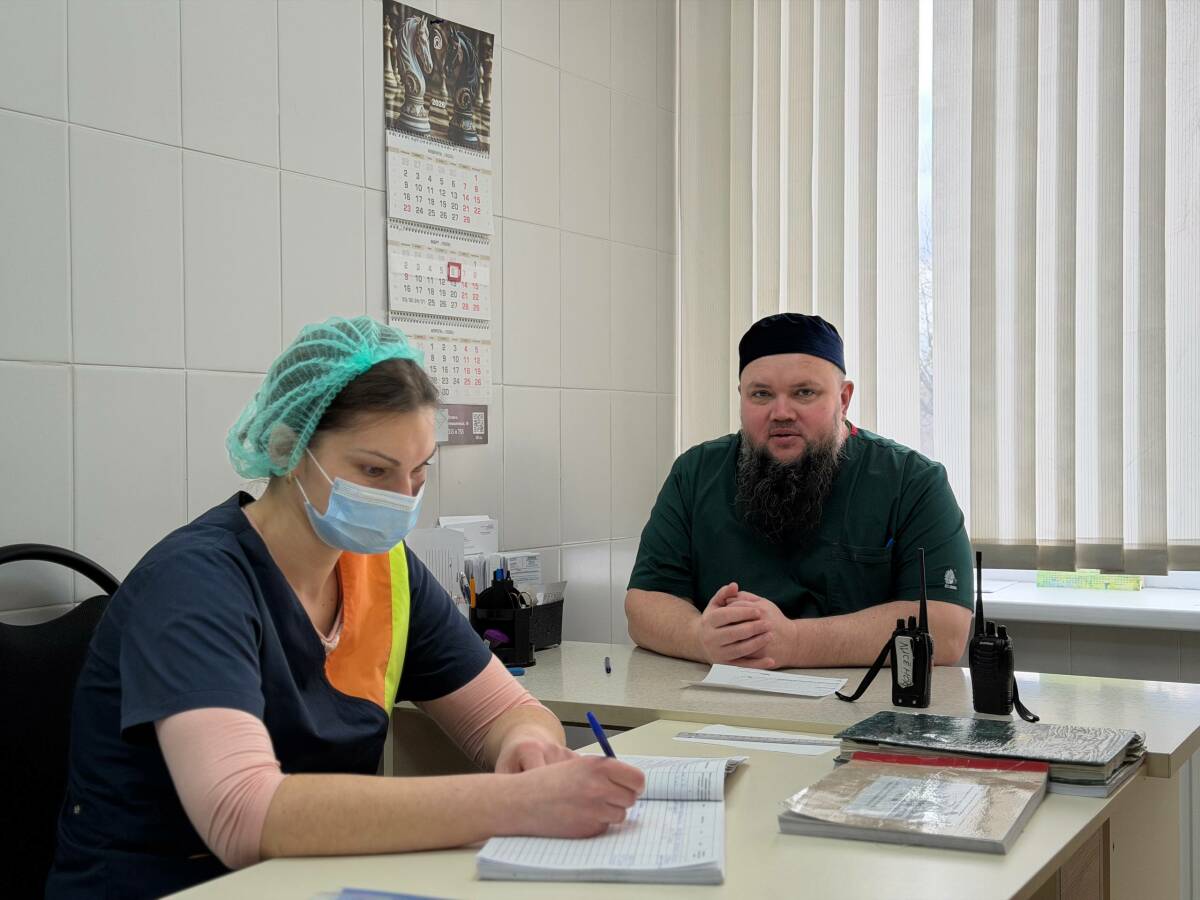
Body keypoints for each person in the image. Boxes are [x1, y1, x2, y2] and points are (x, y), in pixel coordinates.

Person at [47, 317, 644, 898]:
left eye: (418, 473)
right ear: (288, 448)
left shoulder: (382, 570)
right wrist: (516, 803)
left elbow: (505, 711)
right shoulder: (194, 583)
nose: (402, 498)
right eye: (374, 470)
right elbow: (241, 815)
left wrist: (525, 745)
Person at [625, 312, 973, 670]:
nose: (781, 412)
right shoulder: (695, 473)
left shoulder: (912, 481)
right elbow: (646, 602)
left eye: (804, 393)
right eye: (761, 394)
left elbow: (946, 629)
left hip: (866, 701)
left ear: (844, 399)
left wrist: (794, 642)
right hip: (718, 695)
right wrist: (699, 637)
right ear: (741, 398)